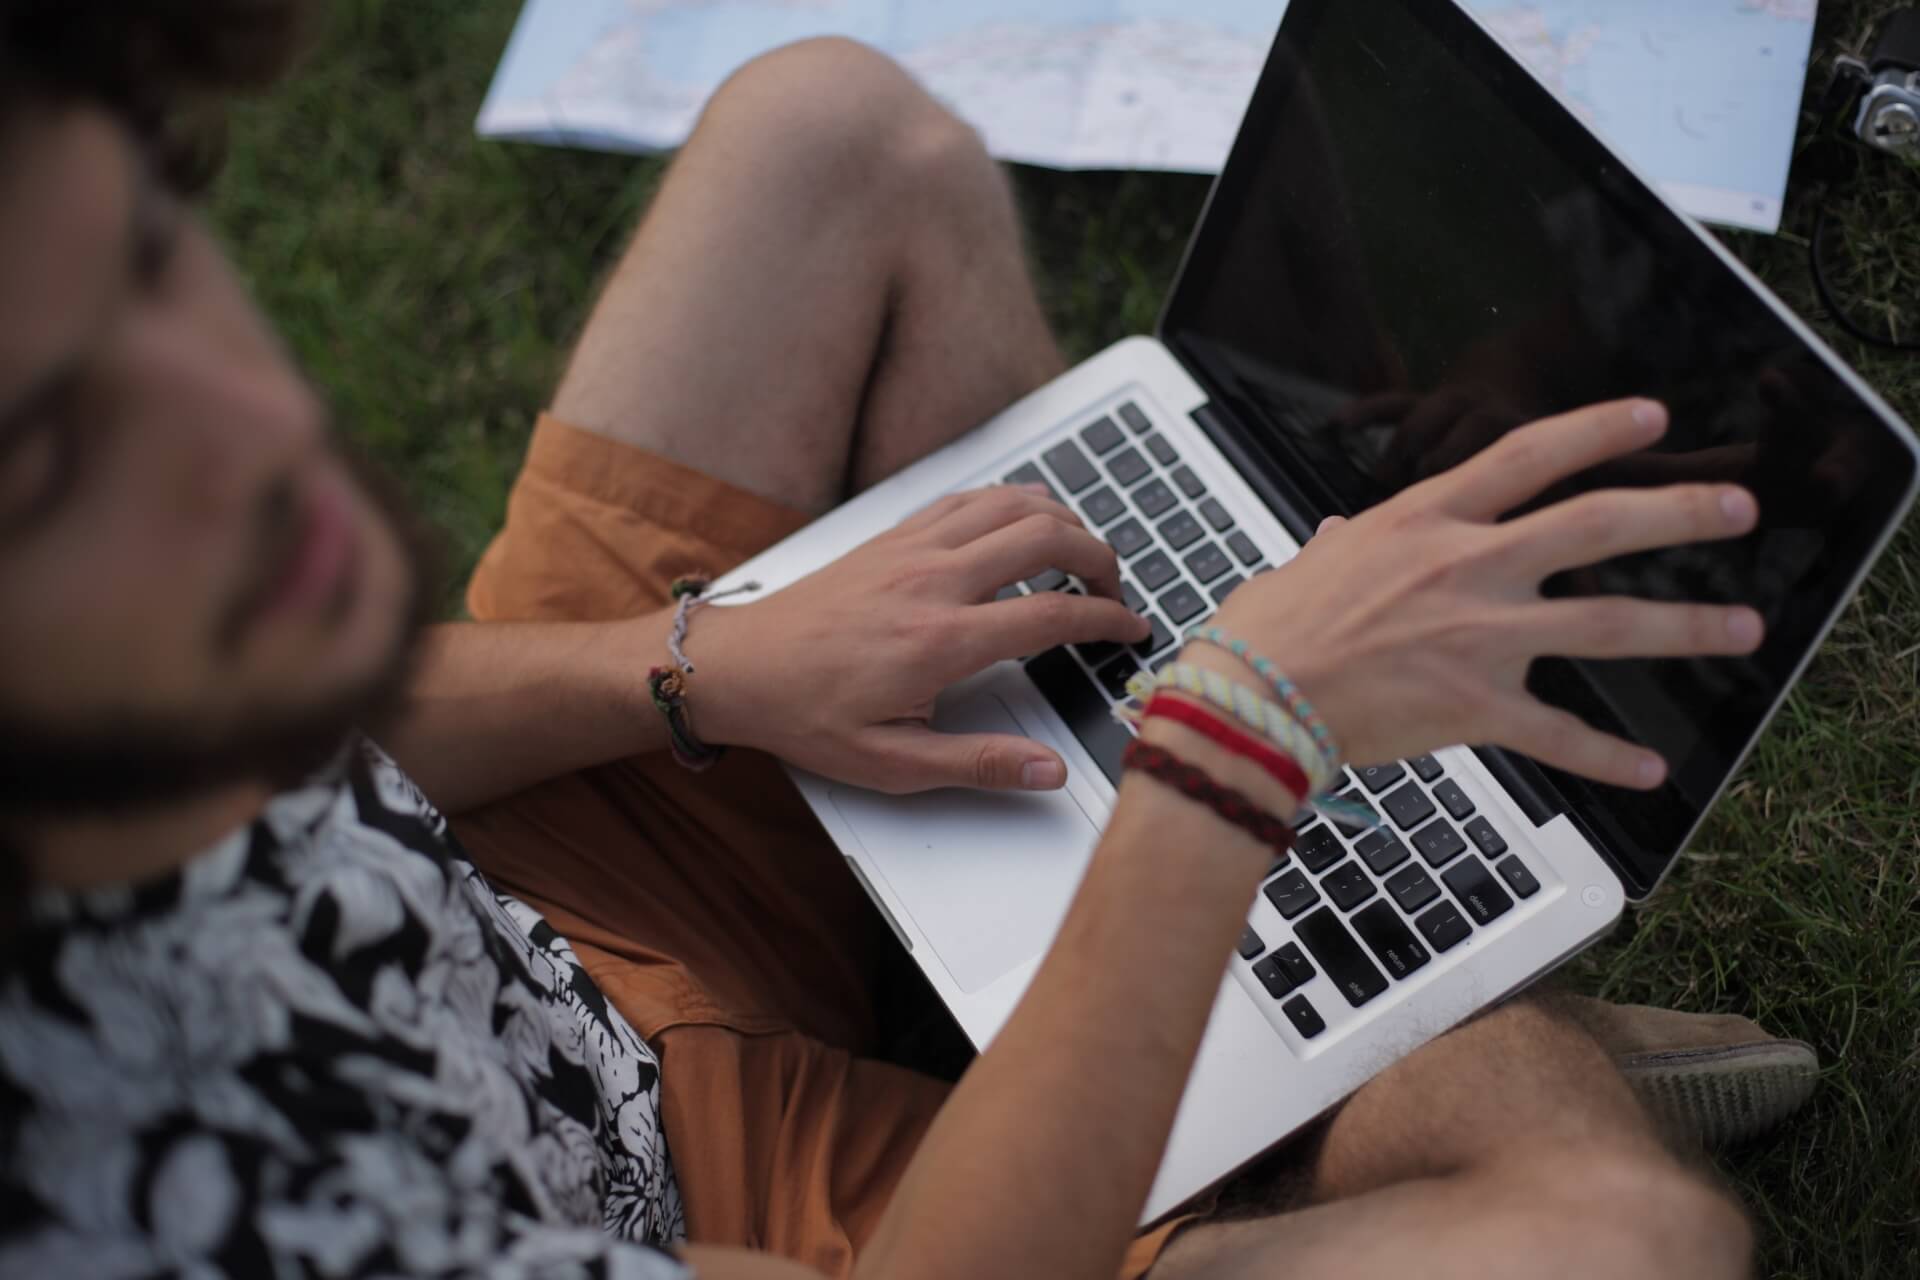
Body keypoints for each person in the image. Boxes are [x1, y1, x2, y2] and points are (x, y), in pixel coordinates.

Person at [0, 7, 1817, 1278]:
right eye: (54, 459)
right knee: (1620, 1238)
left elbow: (330, 729)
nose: (256, 430)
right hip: (700, 1222)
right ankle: (1296, 1069)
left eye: (149, 260)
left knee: (828, 133)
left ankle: (1215, 1026)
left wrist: (698, 669)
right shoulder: (128, 1207)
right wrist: (1229, 743)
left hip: (530, 905)